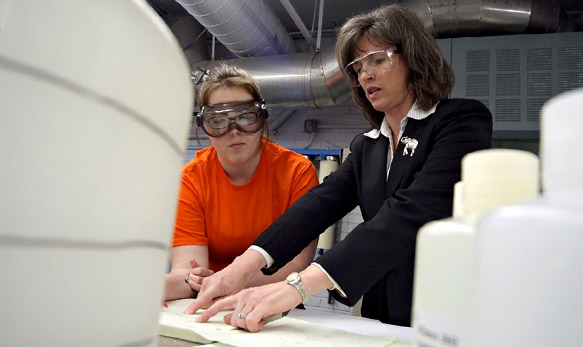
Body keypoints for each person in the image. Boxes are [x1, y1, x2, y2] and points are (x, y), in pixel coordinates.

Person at [184, 4, 493, 330]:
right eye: (357, 67)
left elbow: (411, 214)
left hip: (442, 312)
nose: (365, 75)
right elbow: (315, 207)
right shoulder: (368, 146)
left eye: (376, 60)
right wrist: (241, 267)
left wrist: (296, 287)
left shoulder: (459, 122)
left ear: (413, 57)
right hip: (381, 315)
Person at [163, 63, 319, 302]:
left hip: (273, 300)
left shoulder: (297, 172)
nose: (234, 131)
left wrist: (223, 281)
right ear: (205, 127)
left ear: (262, 118)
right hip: (207, 301)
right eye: (218, 121)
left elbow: (296, 264)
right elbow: (188, 274)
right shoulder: (190, 179)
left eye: (245, 117)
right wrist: (151, 287)